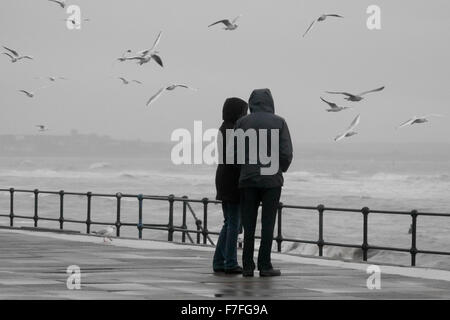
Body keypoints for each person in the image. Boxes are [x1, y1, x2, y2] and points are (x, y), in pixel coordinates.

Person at [235, 88, 293, 277]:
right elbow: (286, 153)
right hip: (271, 181)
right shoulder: (279, 122)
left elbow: (234, 152)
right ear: (270, 102)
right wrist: (279, 169)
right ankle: (265, 265)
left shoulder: (242, 122)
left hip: (248, 179)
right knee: (268, 224)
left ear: (252, 102)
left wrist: (244, 168)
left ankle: (247, 266)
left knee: (249, 224)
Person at [213, 97, 248, 274]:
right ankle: (230, 263)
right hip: (232, 179)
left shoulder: (223, 128)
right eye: (244, 112)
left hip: (222, 176)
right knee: (234, 222)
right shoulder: (233, 131)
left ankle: (219, 261)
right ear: (237, 113)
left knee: (229, 222)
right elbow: (234, 158)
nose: (246, 115)